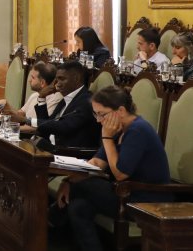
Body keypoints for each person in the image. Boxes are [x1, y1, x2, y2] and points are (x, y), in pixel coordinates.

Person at [53, 86, 171, 251]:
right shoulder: (117, 129)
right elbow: (96, 163)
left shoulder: (139, 130)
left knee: (82, 187)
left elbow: (121, 173)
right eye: (96, 114)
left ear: (120, 111)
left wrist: (107, 138)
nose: (98, 120)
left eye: (101, 114)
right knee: (78, 207)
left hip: (145, 199)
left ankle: (47, 225)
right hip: (124, 193)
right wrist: (68, 180)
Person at [33, 61, 100, 153]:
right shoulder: (65, 100)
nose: (57, 84)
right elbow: (46, 127)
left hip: (70, 154)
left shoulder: (87, 101)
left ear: (76, 78)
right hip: (52, 150)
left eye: (62, 79)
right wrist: (42, 98)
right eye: (56, 80)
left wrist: (27, 120)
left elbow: (64, 127)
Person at [0, 61, 63, 130]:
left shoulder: (56, 99)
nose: (29, 80)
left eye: (32, 77)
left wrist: (9, 128)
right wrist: (6, 106)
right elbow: (21, 115)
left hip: (30, 137)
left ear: (42, 82)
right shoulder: (35, 95)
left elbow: (38, 127)